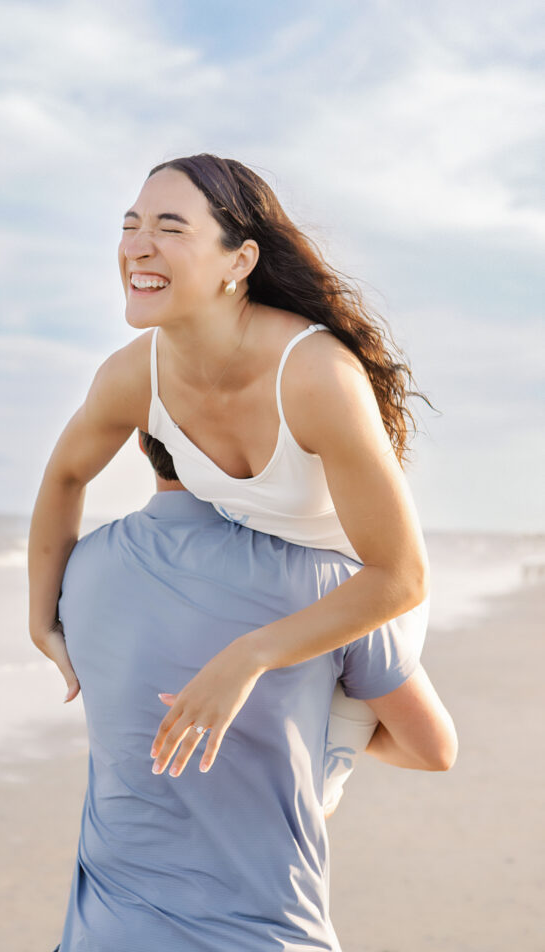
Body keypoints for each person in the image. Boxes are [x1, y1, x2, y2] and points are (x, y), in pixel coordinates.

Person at [29, 152, 430, 787]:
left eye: (169, 227)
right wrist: (41, 615)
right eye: (130, 225)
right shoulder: (134, 374)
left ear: (238, 262)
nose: (138, 246)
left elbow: (403, 577)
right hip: (253, 580)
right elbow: (65, 478)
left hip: (355, 600)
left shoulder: (315, 375)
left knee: (322, 788)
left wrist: (249, 656)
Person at [51, 436, 456, 952]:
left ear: (140, 438)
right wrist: (314, 729)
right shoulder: (332, 585)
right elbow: (432, 749)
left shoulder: (82, 567)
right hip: (264, 936)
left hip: (103, 935)